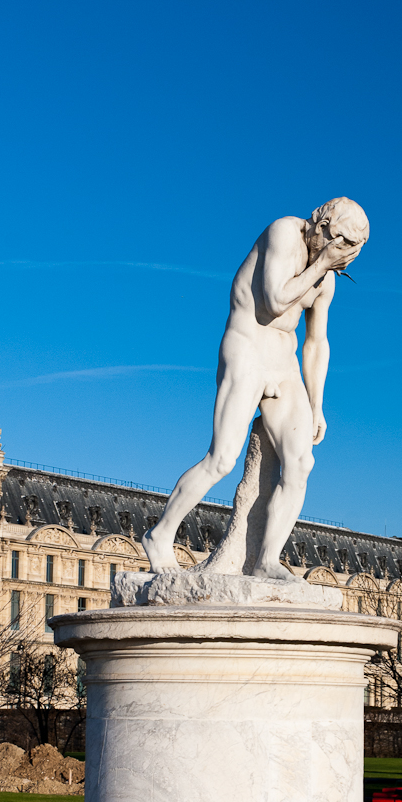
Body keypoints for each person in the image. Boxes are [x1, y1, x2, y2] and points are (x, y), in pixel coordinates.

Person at [143, 197, 369, 579]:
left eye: (351, 253)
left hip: (284, 359)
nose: (342, 258)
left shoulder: (327, 277)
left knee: (301, 464)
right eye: (341, 246)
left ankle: (266, 560)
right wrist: (322, 265)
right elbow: (275, 300)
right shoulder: (284, 232)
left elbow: (317, 343)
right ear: (324, 228)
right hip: (247, 346)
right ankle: (160, 536)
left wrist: (317, 405)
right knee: (221, 459)